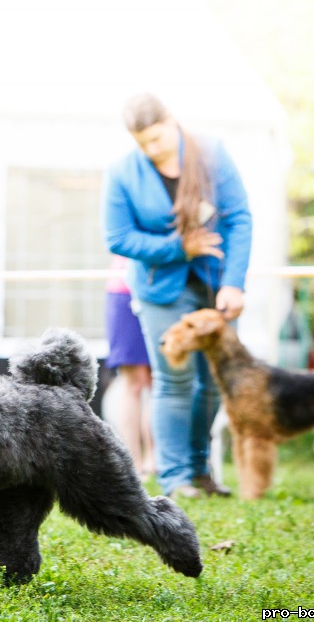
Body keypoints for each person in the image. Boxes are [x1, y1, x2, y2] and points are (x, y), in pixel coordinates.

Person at [103, 92, 252, 500]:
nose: (152, 149)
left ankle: (201, 470)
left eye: (156, 137)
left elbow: (238, 218)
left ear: (171, 121)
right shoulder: (122, 173)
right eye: (142, 142)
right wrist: (177, 248)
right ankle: (175, 478)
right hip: (160, 290)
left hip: (216, 283)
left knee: (214, 381)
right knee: (174, 379)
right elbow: (117, 238)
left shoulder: (213, 153)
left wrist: (234, 282)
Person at [104, 254, 154, 479]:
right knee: (133, 382)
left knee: (159, 381)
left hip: (163, 290)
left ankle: (155, 460)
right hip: (124, 291)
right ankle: (133, 461)